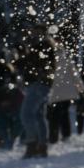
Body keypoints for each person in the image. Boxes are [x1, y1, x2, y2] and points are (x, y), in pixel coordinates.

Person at [15, 23, 57, 159]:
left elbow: (31, 63)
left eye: (35, 31)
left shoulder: (42, 46)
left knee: (27, 114)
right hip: (42, 83)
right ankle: (41, 146)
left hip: (39, 83)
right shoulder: (44, 45)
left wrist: (20, 59)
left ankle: (32, 144)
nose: (32, 34)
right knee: (38, 116)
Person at [46, 38, 83, 146]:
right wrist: (81, 89)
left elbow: (73, 73)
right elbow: (74, 73)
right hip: (63, 90)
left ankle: (55, 136)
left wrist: (80, 88)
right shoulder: (64, 57)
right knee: (61, 114)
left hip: (59, 90)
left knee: (55, 114)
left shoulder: (57, 57)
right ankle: (62, 135)